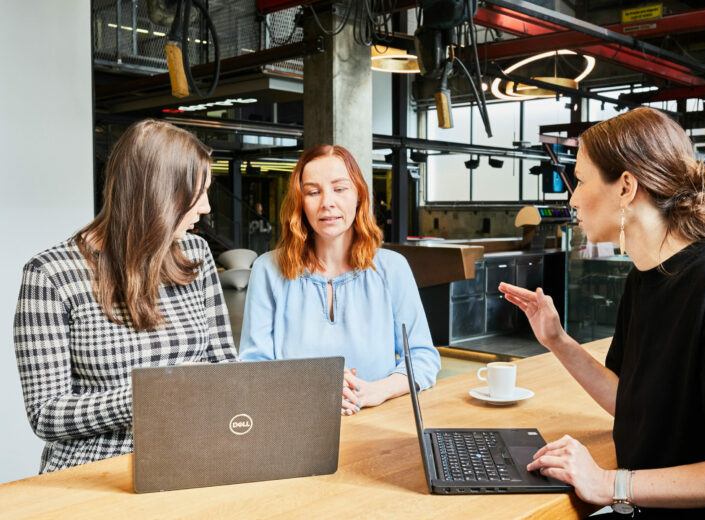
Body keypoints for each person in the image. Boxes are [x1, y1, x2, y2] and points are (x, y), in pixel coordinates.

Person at [499, 107, 705, 518]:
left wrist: (611, 483)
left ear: (626, 187)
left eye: (579, 180)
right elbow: (631, 402)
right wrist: (557, 340)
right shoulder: (645, 279)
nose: (573, 198)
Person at [14, 119, 238, 473]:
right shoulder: (49, 274)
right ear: (158, 193)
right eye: (198, 193)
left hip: (192, 459)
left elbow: (225, 363)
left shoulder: (195, 252)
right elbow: (46, 415)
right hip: (95, 471)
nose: (207, 207)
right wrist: (148, 395)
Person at [239, 145, 440, 415]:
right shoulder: (268, 269)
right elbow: (253, 366)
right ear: (300, 202)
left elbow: (423, 357)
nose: (327, 203)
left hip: (377, 421)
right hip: (296, 421)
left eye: (340, 188)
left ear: (358, 195)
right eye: (313, 192)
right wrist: (313, 389)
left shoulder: (393, 268)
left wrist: (377, 391)